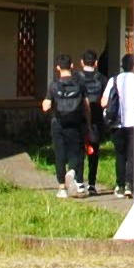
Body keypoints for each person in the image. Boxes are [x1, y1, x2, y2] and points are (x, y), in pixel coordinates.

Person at [98, 53, 134, 196]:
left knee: (120, 155)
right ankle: (129, 185)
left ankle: (119, 185)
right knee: (133, 155)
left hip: (117, 123)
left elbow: (104, 102)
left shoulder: (113, 80)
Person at [45, 53, 94, 197]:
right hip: (75, 123)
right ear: (72, 66)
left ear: (58, 68)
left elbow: (46, 106)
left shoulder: (53, 85)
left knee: (59, 153)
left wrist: (47, 103)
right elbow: (86, 106)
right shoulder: (79, 84)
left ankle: (62, 188)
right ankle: (72, 171)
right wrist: (89, 125)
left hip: (58, 123)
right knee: (76, 151)